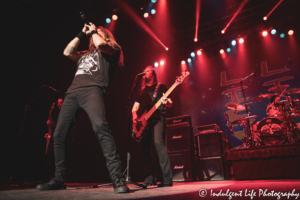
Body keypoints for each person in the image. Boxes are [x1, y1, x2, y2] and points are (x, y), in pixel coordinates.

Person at [36, 22, 129, 193]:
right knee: (59, 134)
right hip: (72, 93)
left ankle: (117, 178)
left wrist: (95, 31)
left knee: (100, 127)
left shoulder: (112, 49)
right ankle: (58, 179)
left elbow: (101, 44)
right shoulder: (85, 54)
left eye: (99, 33)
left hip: (93, 90)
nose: (94, 36)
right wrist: (81, 33)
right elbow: (67, 52)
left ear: (106, 36)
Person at [132, 66, 173, 187]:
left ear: (153, 73)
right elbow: (135, 107)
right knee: (145, 147)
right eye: (144, 70)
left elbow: (170, 103)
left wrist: (167, 102)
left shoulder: (161, 87)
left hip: (158, 118)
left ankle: (167, 178)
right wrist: (135, 116)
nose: (145, 72)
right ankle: (150, 177)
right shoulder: (141, 91)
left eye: (148, 70)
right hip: (144, 122)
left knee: (158, 143)